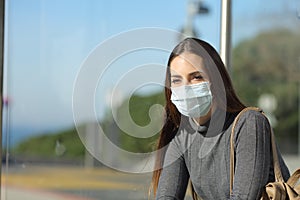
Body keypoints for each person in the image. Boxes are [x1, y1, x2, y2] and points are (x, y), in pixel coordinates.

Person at [150, 38, 290, 200]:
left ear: (216, 80)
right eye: (176, 80)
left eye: (196, 77)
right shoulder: (181, 138)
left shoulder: (249, 123)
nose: (185, 87)